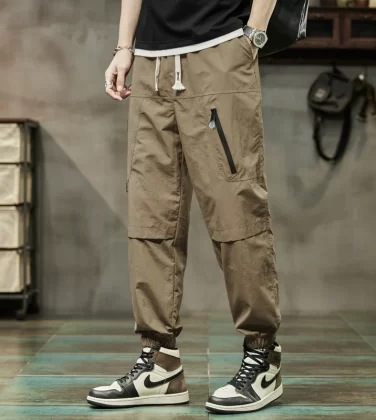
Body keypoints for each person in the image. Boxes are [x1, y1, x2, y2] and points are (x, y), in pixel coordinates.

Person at [87, 0, 282, 414]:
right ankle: (159, 363)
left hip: (219, 53)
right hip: (150, 64)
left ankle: (262, 355)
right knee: (150, 215)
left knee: (235, 209)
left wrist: (253, 34)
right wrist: (125, 47)